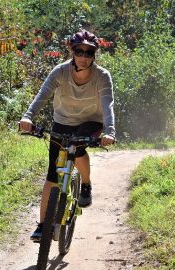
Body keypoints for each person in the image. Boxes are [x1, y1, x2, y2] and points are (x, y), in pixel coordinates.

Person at [19, 30, 116, 241]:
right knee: (52, 175)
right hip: (62, 121)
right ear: (72, 51)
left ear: (94, 55)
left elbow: (107, 105)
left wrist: (110, 131)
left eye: (89, 53)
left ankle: (86, 185)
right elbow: (42, 96)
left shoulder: (102, 76)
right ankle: (43, 225)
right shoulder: (60, 72)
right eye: (79, 51)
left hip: (91, 122)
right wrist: (28, 117)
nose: (84, 56)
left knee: (78, 146)